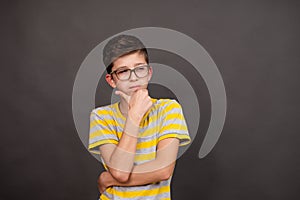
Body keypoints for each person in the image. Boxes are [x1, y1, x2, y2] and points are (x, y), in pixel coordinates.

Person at [88, 34, 191, 200]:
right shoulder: (101, 117)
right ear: (111, 80)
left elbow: (163, 170)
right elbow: (120, 173)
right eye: (123, 71)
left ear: (149, 73)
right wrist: (134, 117)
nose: (134, 77)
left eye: (140, 68)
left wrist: (106, 178)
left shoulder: (169, 109)